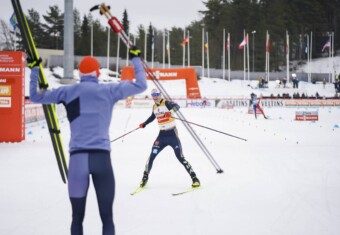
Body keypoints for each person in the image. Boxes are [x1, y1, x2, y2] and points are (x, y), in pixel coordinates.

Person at [28, 47, 147, 235]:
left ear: (80, 74)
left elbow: (35, 96)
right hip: (102, 159)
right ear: (97, 73)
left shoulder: (67, 92)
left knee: (77, 218)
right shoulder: (109, 90)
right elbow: (141, 85)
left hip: (77, 160)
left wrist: (34, 70)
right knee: (107, 218)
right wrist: (135, 59)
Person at [138, 88, 200, 188]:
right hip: (161, 136)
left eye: (157, 95)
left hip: (172, 135)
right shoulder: (154, 107)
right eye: (153, 95)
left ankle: (195, 178)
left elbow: (177, 106)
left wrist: (170, 112)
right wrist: (144, 124)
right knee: (152, 156)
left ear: (160, 95)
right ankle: (145, 178)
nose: (155, 97)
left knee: (180, 157)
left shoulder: (166, 103)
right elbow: (152, 117)